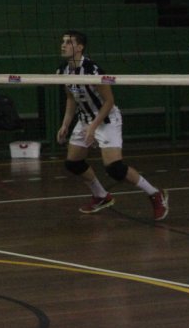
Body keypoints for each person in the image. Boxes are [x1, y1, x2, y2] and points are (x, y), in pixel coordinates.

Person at [56, 30, 168, 220]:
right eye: (63, 42)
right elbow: (70, 98)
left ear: (80, 47)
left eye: (68, 42)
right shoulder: (62, 71)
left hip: (106, 119)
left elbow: (108, 101)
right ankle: (101, 196)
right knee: (73, 163)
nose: (63, 45)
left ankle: (155, 194)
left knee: (114, 168)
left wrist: (93, 127)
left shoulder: (93, 70)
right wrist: (65, 124)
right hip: (84, 119)